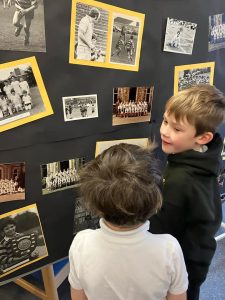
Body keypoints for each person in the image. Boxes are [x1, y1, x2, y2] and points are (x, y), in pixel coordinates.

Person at [69, 143, 188, 300]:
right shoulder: (169, 249)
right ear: (155, 201)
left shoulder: (81, 243)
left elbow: (78, 297)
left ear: (95, 205)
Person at [149, 84, 225, 300]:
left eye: (177, 129)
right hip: (190, 261)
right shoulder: (200, 156)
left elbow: (160, 230)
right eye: (165, 121)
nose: (164, 131)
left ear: (202, 138)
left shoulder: (181, 180)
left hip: (180, 272)